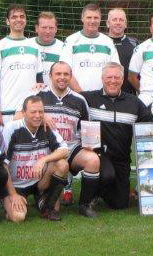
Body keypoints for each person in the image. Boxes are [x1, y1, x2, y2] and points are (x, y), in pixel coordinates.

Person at [79, 62, 153, 212]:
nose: (112, 81)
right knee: (107, 175)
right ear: (102, 78)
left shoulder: (134, 102)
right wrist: (42, 89)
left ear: (122, 80)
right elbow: (65, 99)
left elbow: (150, 122)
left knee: (120, 204)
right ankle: (89, 197)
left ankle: (103, 191)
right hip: (98, 154)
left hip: (122, 158)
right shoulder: (88, 98)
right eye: (109, 77)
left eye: (116, 77)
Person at [35, 62, 90, 209]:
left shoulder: (79, 100)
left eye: (66, 74)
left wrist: (91, 145)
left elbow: (85, 130)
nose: (62, 77)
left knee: (93, 160)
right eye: (58, 74)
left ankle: (86, 204)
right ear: (50, 76)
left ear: (71, 77)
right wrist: (41, 116)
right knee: (55, 207)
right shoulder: (38, 96)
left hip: (71, 148)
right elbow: (19, 118)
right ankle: (41, 193)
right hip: (47, 151)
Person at [5, 96, 71, 221]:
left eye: (41, 112)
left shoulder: (46, 126)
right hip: (16, 185)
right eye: (33, 112)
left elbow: (64, 150)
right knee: (18, 217)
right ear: (23, 113)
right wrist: (13, 194)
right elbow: (3, 165)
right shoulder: (12, 128)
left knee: (62, 165)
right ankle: (7, 200)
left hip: (39, 182)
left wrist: (44, 159)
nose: (38, 115)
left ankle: (48, 208)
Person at [0, 4, 45, 124]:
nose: (18, 19)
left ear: (26, 20)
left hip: (31, 111)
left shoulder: (34, 47)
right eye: (14, 17)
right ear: (7, 21)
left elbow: (39, 81)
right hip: (7, 111)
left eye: (22, 16)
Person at [62, 4, 121, 92]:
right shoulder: (71, 40)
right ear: (82, 18)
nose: (92, 21)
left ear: (100, 19)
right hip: (77, 96)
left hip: (102, 97)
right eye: (89, 17)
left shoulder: (108, 42)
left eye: (96, 18)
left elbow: (116, 71)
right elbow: (65, 71)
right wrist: (81, 95)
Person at [105, 8, 139, 95]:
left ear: (125, 24)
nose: (118, 22)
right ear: (108, 23)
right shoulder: (101, 42)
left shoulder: (135, 44)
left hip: (129, 94)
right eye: (114, 20)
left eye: (121, 20)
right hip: (104, 94)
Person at [32, 11, 65, 88]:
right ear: (36, 28)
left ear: (56, 29)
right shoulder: (27, 45)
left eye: (51, 28)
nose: (48, 31)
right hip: (31, 95)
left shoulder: (63, 47)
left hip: (54, 96)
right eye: (44, 27)